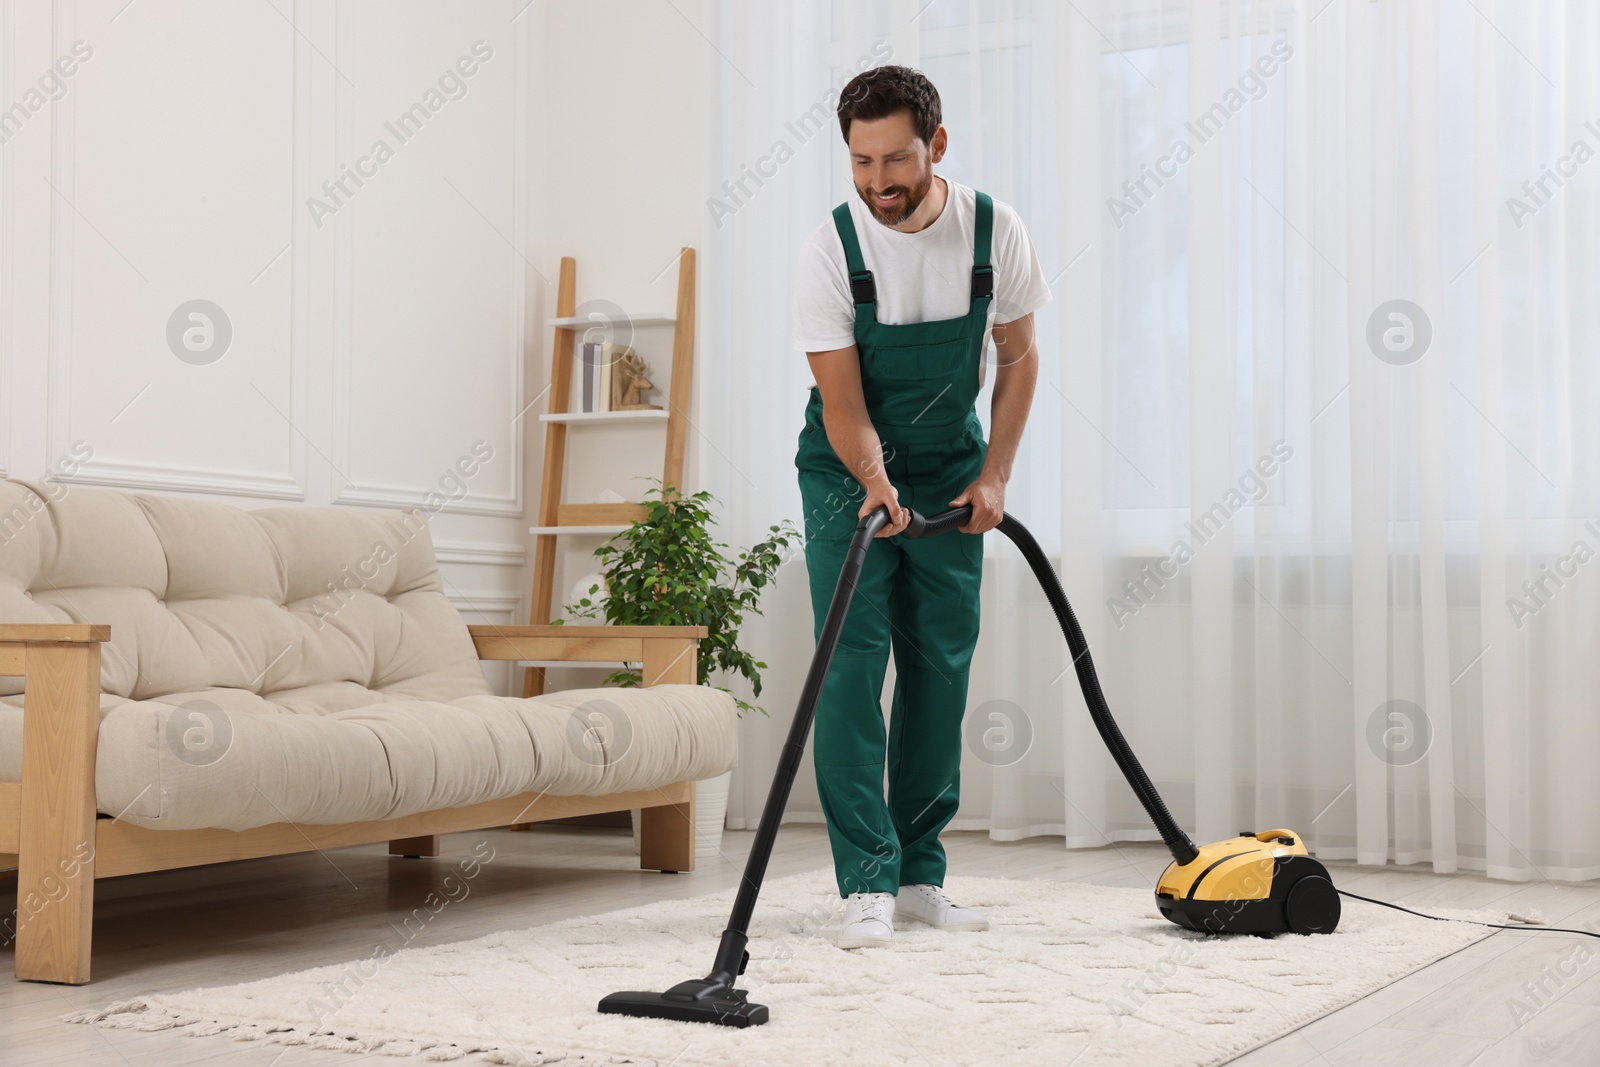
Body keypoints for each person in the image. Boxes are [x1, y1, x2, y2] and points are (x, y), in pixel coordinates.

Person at [791, 65, 1050, 948]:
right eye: (859, 163)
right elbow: (841, 401)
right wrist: (871, 482)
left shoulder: (994, 230)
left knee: (940, 666)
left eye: (894, 160)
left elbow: (1018, 359)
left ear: (936, 145)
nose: (876, 184)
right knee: (851, 665)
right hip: (844, 471)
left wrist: (996, 476)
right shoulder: (833, 247)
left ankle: (918, 877)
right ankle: (864, 879)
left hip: (951, 469)